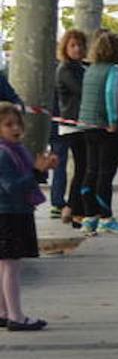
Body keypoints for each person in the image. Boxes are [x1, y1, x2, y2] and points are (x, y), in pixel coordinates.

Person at [0, 102, 59, 330]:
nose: (15, 129)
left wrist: (41, 169)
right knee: (11, 267)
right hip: (9, 214)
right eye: (8, 125)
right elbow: (11, 187)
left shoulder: (17, 150)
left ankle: (5, 312)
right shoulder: (4, 154)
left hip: (17, 212)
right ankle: (16, 316)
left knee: (6, 266)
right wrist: (36, 172)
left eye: (18, 124)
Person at [77, 30, 118, 235]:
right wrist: (113, 120)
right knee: (106, 173)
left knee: (90, 170)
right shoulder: (116, 70)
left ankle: (89, 216)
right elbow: (111, 93)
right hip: (106, 128)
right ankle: (106, 217)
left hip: (87, 125)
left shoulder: (91, 69)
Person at [51, 29, 88, 226]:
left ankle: (73, 208)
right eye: (73, 45)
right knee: (81, 167)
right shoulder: (66, 69)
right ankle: (72, 209)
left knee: (83, 167)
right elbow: (82, 91)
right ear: (65, 48)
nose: (77, 49)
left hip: (81, 124)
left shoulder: (80, 67)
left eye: (80, 45)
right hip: (72, 125)